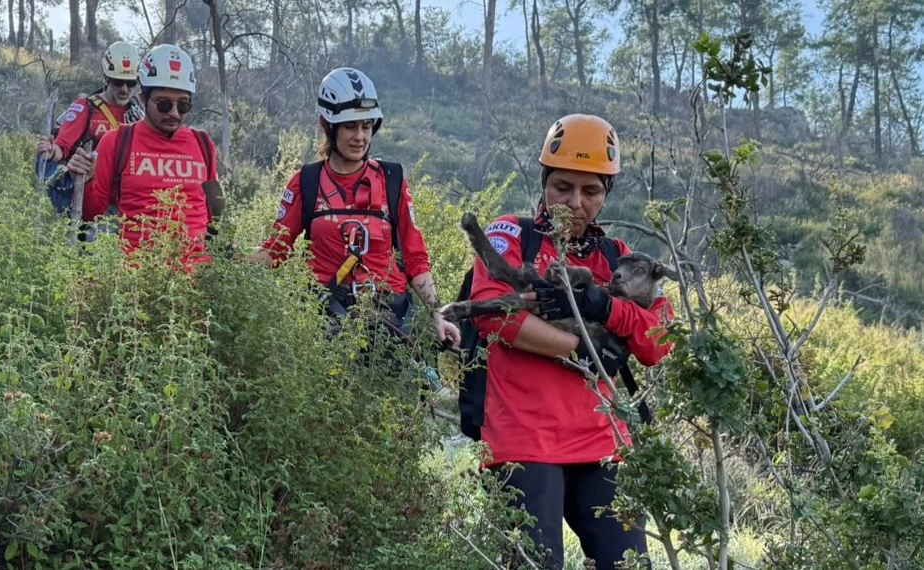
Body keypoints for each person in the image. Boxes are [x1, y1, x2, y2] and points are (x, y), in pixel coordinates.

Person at [469, 114, 673, 569]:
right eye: (562, 187)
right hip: (524, 440)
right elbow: (493, 316)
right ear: (544, 182)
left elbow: (658, 343)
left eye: (591, 191)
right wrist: (581, 349)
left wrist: (606, 308)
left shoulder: (619, 258)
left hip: (602, 443)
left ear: (606, 193)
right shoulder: (512, 236)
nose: (575, 203)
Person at [248, 67, 459, 348]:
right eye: (350, 126)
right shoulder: (306, 182)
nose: (360, 136)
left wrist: (437, 312)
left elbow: (415, 257)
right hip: (324, 318)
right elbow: (277, 250)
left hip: (391, 321)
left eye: (366, 126)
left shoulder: (392, 180)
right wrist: (233, 261)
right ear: (328, 125)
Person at [66, 44, 222, 270]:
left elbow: (216, 212)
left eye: (183, 105)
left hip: (197, 279)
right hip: (136, 278)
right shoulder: (117, 141)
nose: (174, 113)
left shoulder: (203, 143)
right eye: (164, 104)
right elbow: (91, 216)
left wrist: (228, 260)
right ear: (142, 98)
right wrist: (88, 180)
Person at [36, 40, 146, 214]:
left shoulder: (138, 114)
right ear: (106, 79)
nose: (125, 89)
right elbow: (62, 146)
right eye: (118, 82)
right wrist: (51, 151)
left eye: (131, 83)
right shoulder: (86, 108)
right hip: (92, 198)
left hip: (126, 200)